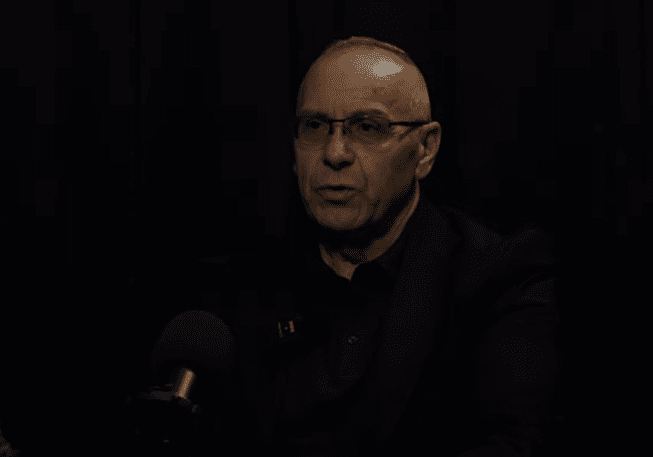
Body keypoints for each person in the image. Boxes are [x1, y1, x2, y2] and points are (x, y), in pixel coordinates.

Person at [197, 36, 563, 457]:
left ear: (425, 150)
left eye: (367, 127)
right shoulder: (238, 289)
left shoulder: (497, 277)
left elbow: (518, 442)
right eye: (314, 127)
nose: (335, 153)